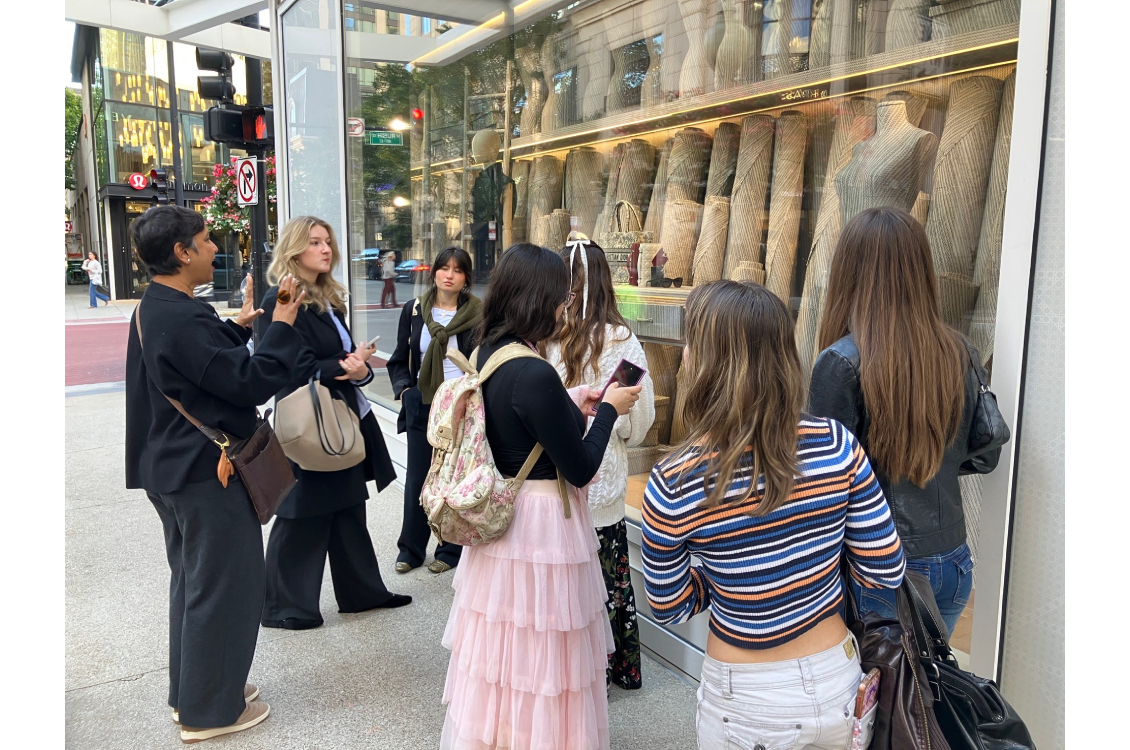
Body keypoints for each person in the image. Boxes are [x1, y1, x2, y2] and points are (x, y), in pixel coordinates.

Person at [641, 280, 906, 750]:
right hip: (836, 682)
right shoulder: (837, 445)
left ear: (702, 365)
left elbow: (669, 604)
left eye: (689, 346)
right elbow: (885, 568)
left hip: (743, 696)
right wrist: (812, 559)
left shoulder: (674, 481)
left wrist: (727, 580)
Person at [439, 243, 642, 749]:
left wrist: (573, 400)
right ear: (539, 297)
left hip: (502, 525)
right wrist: (611, 409)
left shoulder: (495, 352)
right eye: (563, 296)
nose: (567, 306)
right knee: (547, 654)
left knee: (505, 654)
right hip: (542, 526)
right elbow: (581, 466)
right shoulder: (534, 371)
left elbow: (519, 418)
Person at [124, 205, 307, 742]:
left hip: (172, 466)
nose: (212, 249)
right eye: (204, 241)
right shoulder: (180, 316)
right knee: (225, 585)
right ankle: (210, 711)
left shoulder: (159, 306)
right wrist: (281, 328)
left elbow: (194, 369)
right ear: (181, 253)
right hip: (206, 472)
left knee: (194, 581)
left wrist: (241, 324)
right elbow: (250, 382)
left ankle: (196, 691)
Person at [808, 207, 997, 634]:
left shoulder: (842, 361)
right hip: (953, 561)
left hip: (881, 570)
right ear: (920, 271)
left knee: (882, 697)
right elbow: (985, 453)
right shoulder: (958, 351)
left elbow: (821, 485)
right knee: (922, 695)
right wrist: (931, 462)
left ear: (848, 271)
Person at [259, 216, 410, 632]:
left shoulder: (328, 299)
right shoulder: (282, 298)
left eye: (328, 242)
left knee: (347, 508)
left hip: (339, 417)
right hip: (308, 421)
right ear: (293, 249)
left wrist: (357, 370)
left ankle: (362, 593)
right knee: (301, 510)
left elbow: (341, 363)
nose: (325, 249)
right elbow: (289, 365)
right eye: (314, 242)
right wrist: (344, 366)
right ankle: (284, 606)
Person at [545, 235, 654, 691]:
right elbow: (640, 419)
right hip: (605, 480)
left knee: (563, 588)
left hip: (552, 481)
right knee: (609, 583)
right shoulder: (624, 341)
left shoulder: (544, 338)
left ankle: (567, 674)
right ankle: (617, 669)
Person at [387, 247, 482, 574]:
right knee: (417, 479)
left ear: (466, 278)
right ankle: (410, 550)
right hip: (422, 405)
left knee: (454, 477)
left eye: (457, 269)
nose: (449, 274)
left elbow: (481, 361)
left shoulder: (478, 314)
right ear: (435, 272)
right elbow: (399, 359)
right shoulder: (414, 310)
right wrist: (405, 392)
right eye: (444, 267)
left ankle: (450, 550)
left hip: (460, 406)